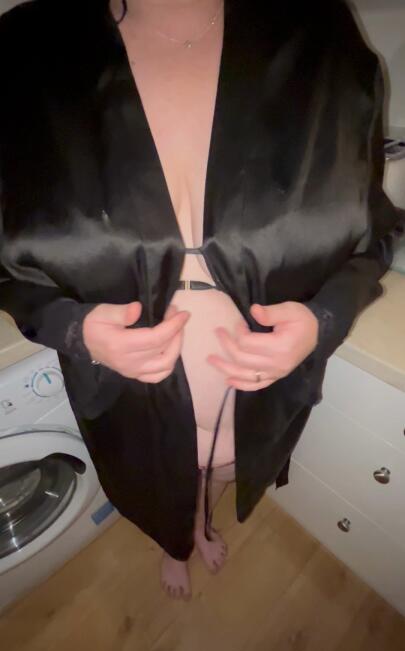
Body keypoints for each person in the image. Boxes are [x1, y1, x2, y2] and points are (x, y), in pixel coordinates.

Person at [0, 0, 400, 600]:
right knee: (160, 488)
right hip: (127, 402)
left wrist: (324, 319)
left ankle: (202, 520)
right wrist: (73, 329)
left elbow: (376, 231)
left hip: (262, 399)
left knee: (221, 472)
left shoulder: (320, 32)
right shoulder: (23, 48)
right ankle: (176, 540)